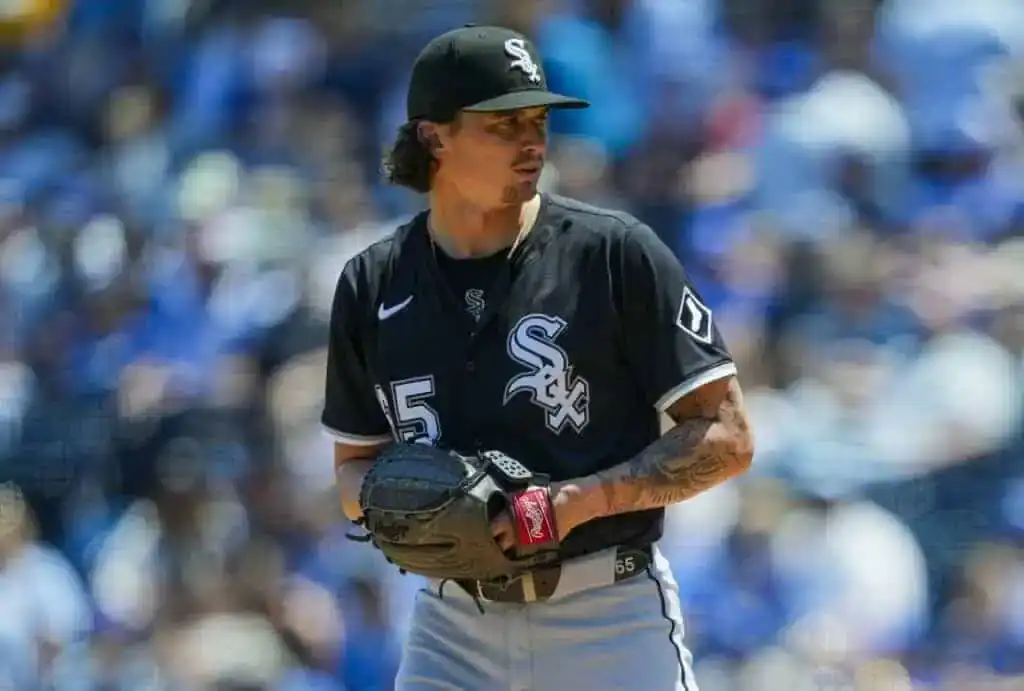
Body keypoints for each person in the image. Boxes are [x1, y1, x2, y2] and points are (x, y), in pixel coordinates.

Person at [323, 24, 755, 691]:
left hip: (606, 615)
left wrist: (575, 503)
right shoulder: (371, 286)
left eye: (538, 120)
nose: (532, 141)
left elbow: (728, 437)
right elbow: (352, 473)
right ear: (435, 136)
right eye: (503, 124)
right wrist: (403, 504)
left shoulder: (612, 255)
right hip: (451, 623)